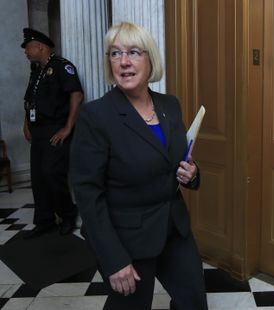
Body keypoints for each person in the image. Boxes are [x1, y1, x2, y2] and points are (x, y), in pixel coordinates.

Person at [69, 22, 208, 310]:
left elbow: (178, 160)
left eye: (133, 52)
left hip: (174, 229)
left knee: (193, 303)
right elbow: (86, 193)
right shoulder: (96, 116)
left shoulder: (170, 105)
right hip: (126, 239)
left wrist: (192, 174)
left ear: (150, 59)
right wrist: (113, 258)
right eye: (115, 53)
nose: (124, 61)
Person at [21, 28, 84, 239]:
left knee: (52, 174)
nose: (26, 52)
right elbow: (30, 100)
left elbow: (76, 95)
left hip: (55, 129)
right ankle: (44, 220)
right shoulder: (36, 71)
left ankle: (68, 214)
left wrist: (68, 127)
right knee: (38, 178)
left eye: (28, 47)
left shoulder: (61, 67)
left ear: (39, 46)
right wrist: (26, 123)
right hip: (37, 131)